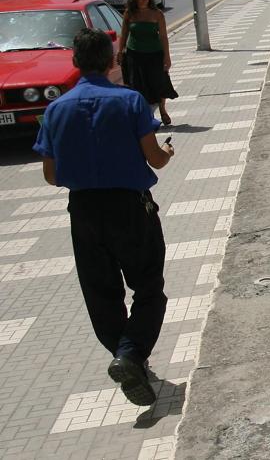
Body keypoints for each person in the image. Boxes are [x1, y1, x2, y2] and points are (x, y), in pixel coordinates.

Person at [34, 28, 175, 407]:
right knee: (148, 288)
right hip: (130, 208)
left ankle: (126, 357)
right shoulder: (130, 102)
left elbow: (51, 175)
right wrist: (167, 151)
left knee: (100, 294)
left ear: (76, 63)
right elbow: (155, 159)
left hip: (83, 211)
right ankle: (130, 355)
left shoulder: (55, 110)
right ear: (113, 61)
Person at [117, 0, 177, 126]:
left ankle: (162, 109)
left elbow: (163, 37)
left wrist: (167, 56)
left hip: (155, 54)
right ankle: (144, 115)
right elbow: (124, 35)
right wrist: (120, 52)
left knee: (159, 82)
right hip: (135, 55)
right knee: (137, 86)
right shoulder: (129, 14)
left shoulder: (157, 14)